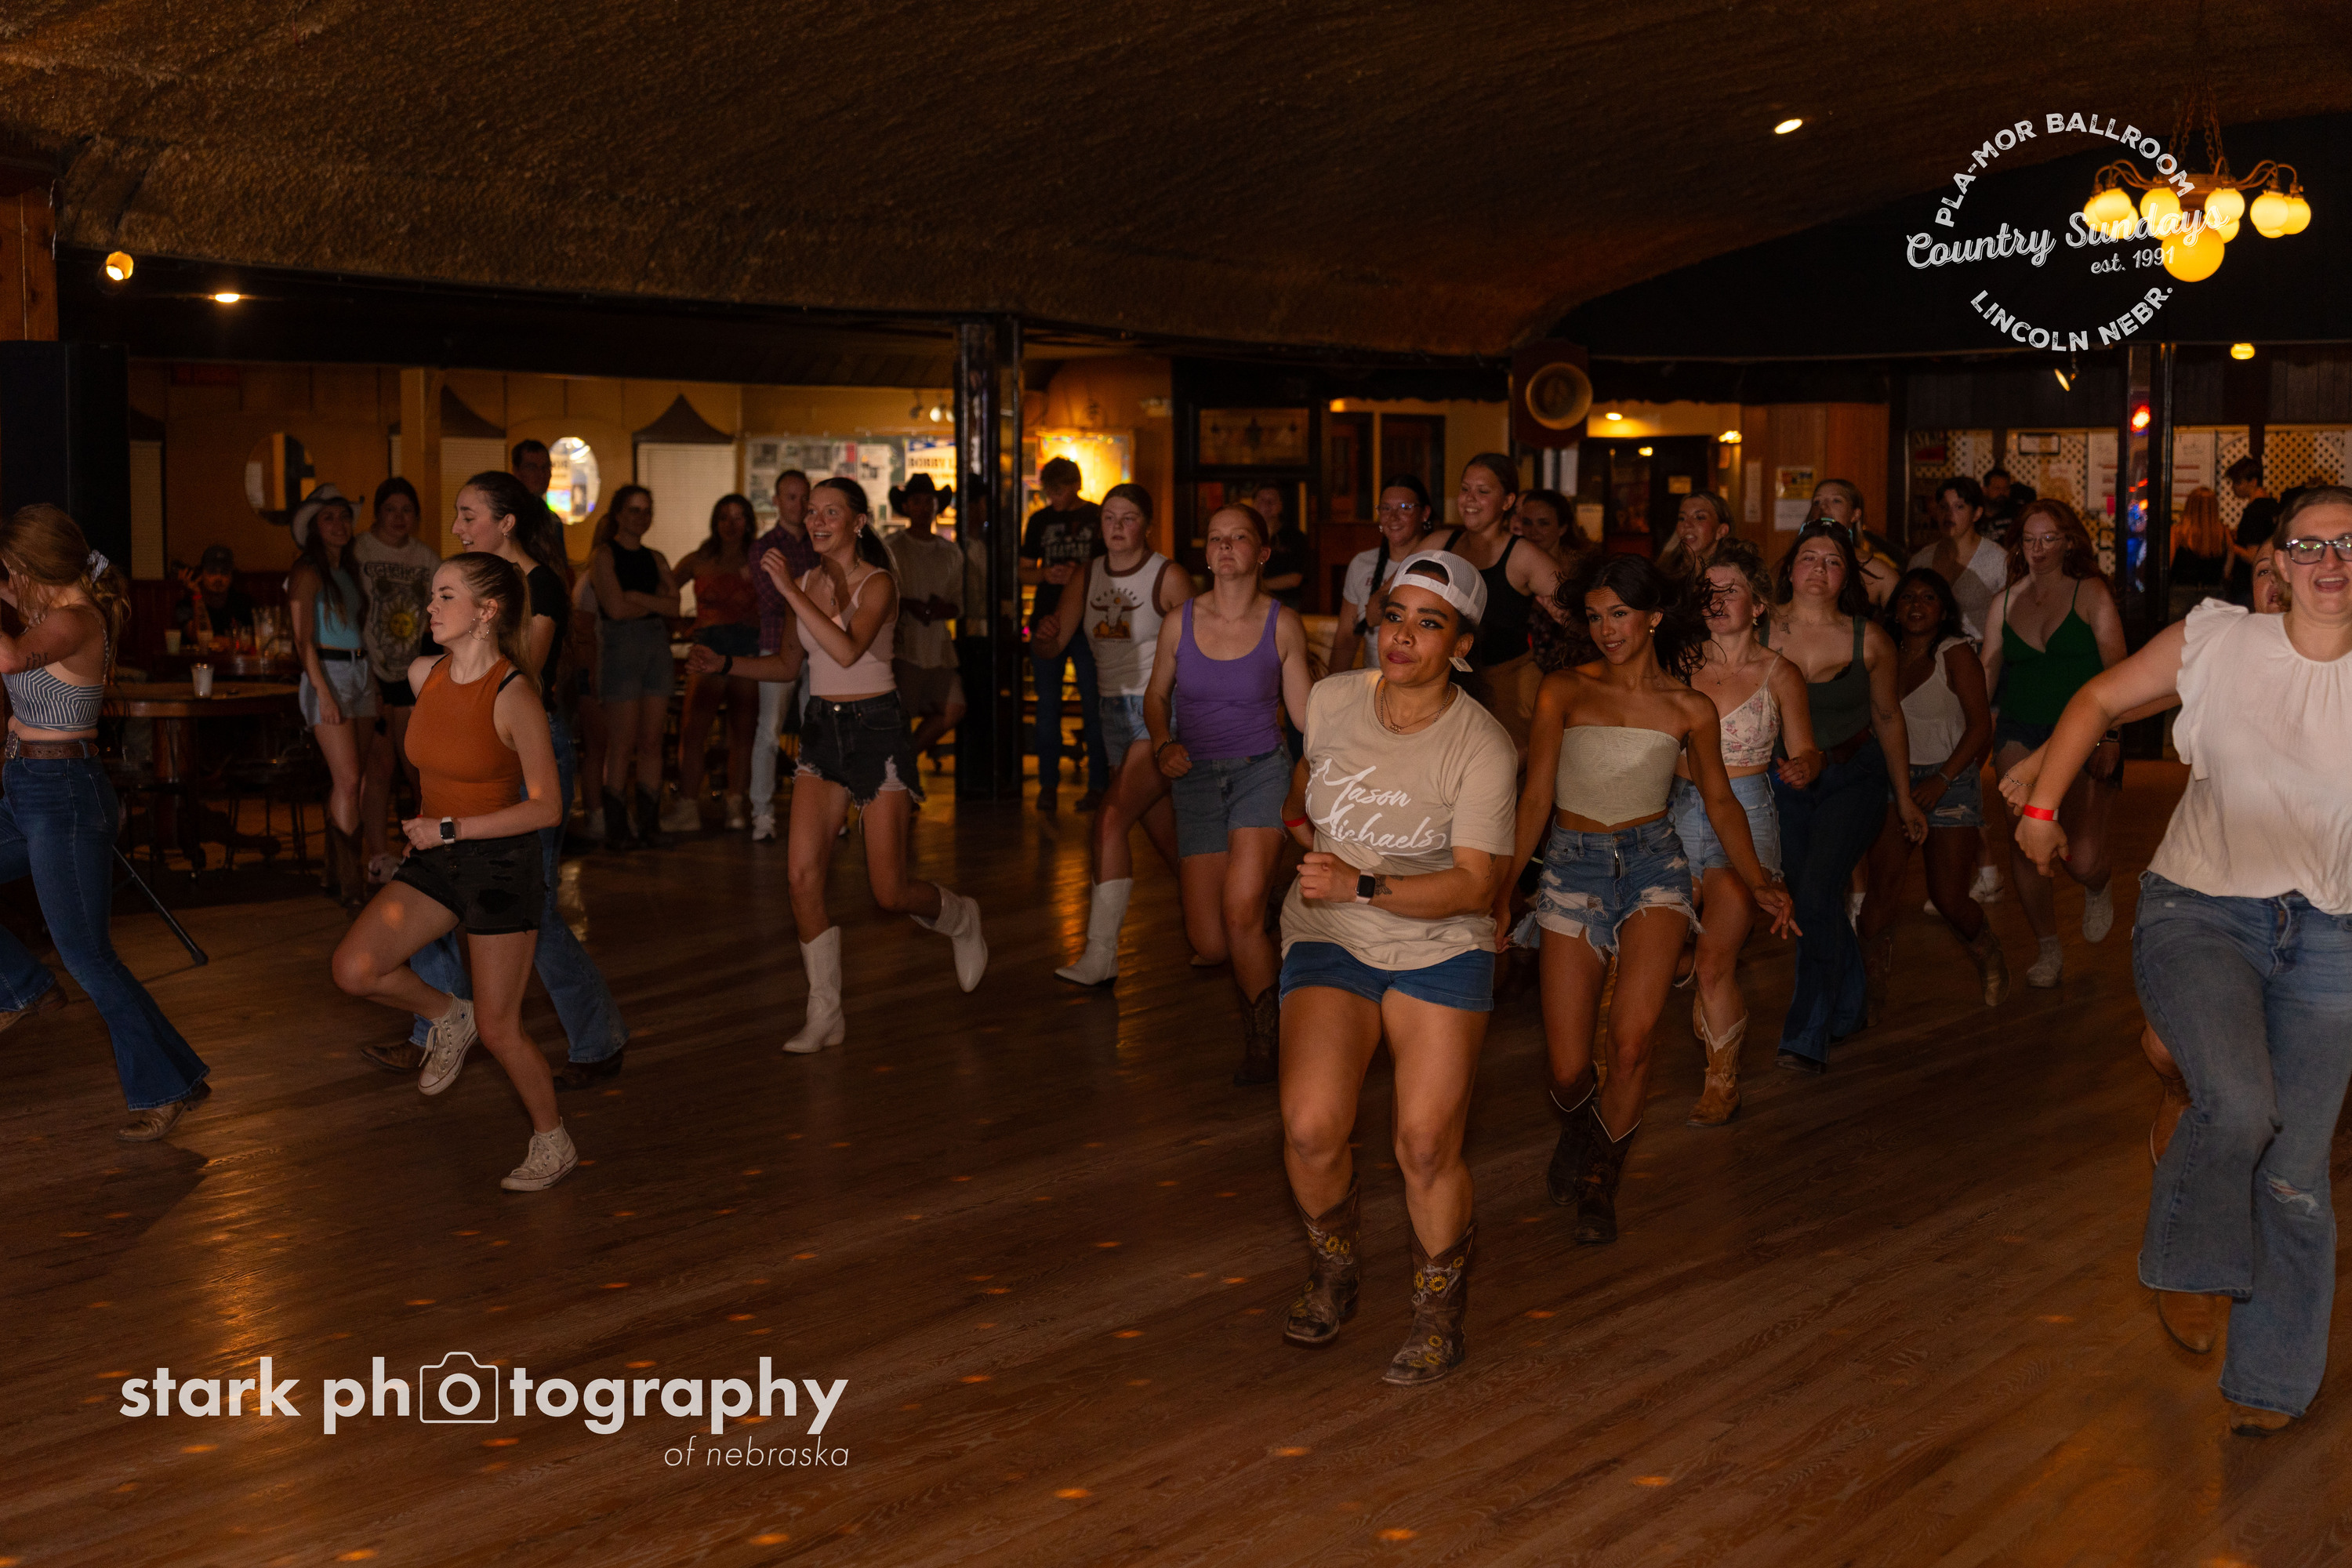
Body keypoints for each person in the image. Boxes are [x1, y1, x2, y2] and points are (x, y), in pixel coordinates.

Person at [2013, 486, 2352, 1437]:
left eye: (2351, 545)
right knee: (2240, 1101)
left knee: (2296, 1175)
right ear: (2277, 561)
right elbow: (2098, 698)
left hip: (2333, 932)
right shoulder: (2219, 640)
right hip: (2203, 910)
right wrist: (2040, 806)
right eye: (2312, 546)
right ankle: (2195, 1258)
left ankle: (2269, 1383)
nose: (2332, 562)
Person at [1272, 550, 1515, 1385]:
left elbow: (1477, 884)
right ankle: (1334, 1266)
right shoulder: (1333, 699)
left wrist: (1364, 882)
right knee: (1311, 1127)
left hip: (1441, 942)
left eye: (1428, 622)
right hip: (1331, 932)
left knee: (1424, 1142)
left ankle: (1437, 1312)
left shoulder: (1483, 746)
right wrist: (1312, 850)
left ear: (1463, 645)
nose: (1403, 635)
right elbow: (1304, 791)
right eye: (1393, 616)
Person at [1504, 553, 1795, 1243]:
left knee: (1631, 1045)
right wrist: (1500, 892)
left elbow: (1720, 802)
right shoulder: (1564, 690)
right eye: (1595, 616)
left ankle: (1601, 1181)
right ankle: (1579, 1127)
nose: (1607, 629)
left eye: (1621, 614)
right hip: (1571, 868)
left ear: (1655, 618)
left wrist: (1760, 880)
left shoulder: (1689, 707)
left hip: (1653, 867)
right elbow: (1536, 798)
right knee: (1567, 1067)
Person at [691, 477, 988, 1051]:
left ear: (859, 522)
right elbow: (786, 666)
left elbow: (849, 650)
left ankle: (960, 917)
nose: (817, 521)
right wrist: (724, 663)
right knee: (801, 877)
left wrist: (788, 589)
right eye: (812, 512)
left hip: (877, 732)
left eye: (831, 512)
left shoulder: (879, 584)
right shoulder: (804, 583)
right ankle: (825, 1011)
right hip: (823, 731)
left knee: (889, 892)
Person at [372, 472, 629, 1090]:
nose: (457, 527)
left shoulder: (537, 586)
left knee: (530, 907)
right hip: (474, 751)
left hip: (520, 749)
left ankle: (597, 1036)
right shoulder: (470, 588)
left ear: (506, 522)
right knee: (435, 881)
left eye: (469, 515)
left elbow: (515, 677)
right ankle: (436, 1024)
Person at [329, 552, 575, 1191]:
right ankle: (446, 1014)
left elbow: (547, 807)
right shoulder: (423, 675)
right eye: (432, 595)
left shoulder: (514, 693)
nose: (430, 607)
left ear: (487, 611)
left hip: (500, 866)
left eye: (445, 596)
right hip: (437, 859)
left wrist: (452, 829)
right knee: (355, 968)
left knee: (501, 1028)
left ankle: (552, 1140)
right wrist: (436, 832)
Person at [0, 505, 210, 1142]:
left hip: (64, 797)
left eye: (11, 572)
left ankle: (167, 1085)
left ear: (36, 567)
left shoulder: (75, 619)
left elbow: (9, 660)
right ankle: (23, 987)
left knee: (89, 958)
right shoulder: (50, 611)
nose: (8, 585)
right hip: (25, 788)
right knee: (84, 957)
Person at [1145, 503, 1314, 1083]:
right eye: (1216, 537)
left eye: (1239, 537)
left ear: (1261, 554)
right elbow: (1156, 696)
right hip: (1194, 777)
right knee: (1212, 941)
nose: (1224, 546)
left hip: (1260, 772)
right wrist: (1163, 743)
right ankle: (1267, 902)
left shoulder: (1282, 623)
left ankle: (1267, 1041)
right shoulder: (1180, 621)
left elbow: (1304, 718)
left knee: (1239, 915)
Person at [1765, 521, 1926, 1070]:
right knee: (1812, 896)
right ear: (1790, 568)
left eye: (1833, 561)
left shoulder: (1870, 640)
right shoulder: (1759, 629)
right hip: (1782, 781)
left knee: (1814, 894)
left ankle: (1806, 1033)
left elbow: (1888, 718)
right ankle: (1852, 1001)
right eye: (1809, 557)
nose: (1819, 569)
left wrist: (1904, 798)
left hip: (1853, 776)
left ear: (1847, 578)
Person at [1670, 540, 1820, 1125]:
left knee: (1715, 961)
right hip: (1678, 810)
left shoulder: (1780, 674)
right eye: (1708, 592)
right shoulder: (1679, 664)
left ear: (1758, 605)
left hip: (1748, 811)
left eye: (1729, 591)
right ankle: (1709, 1012)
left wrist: (1805, 766)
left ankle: (1721, 1082)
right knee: (1663, 951)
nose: (1716, 601)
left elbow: (1806, 749)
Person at [1040, 482, 1190, 985]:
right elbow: (1053, 643)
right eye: (1109, 518)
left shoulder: (1167, 576)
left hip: (1158, 712)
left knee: (1109, 819)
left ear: (1146, 526)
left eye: (1128, 518)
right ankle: (1235, 915)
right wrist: (1040, 637)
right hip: (1111, 713)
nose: (1118, 527)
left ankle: (1101, 955)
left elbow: (1201, 650)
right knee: (1167, 838)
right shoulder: (1087, 575)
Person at [1980, 499, 2125, 988]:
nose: (2038, 549)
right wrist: (1968, 734)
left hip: (2084, 732)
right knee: (2023, 839)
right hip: (2020, 730)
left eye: (2049, 539)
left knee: (2081, 859)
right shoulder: (2004, 602)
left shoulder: (2091, 593)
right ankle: (2048, 947)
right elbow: (1986, 674)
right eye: (2029, 540)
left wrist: (2110, 736)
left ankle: (2098, 883)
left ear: (2069, 542)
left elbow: (2120, 673)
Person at [1856, 568, 2005, 1017]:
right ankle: (1869, 991)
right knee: (1881, 891)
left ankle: (1987, 951)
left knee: (1948, 898)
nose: (1916, 605)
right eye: (1907, 598)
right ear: (1894, 609)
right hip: (1894, 779)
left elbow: (1980, 728)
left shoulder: (1955, 653)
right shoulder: (1882, 651)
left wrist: (1941, 780)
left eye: (1928, 597)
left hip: (1950, 780)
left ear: (1944, 611)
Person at [289, 484, 377, 903]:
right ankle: (352, 884)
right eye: (329, 518)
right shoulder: (307, 572)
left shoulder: (349, 569)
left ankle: (333, 873)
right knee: (348, 779)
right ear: (314, 528)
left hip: (360, 671)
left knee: (355, 781)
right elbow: (301, 639)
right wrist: (322, 692)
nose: (339, 524)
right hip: (328, 673)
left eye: (344, 516)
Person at [352, 476, 441, 886]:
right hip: (369, 667)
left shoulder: (427, 558)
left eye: (407, 510)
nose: (399, 517)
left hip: (413, 670)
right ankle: (378, 857)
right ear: (378, 513)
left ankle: (426, 850)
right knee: (378, 767)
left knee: (417, 765)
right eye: (391, 509)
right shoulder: (360, 551)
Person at [1445, 454, 1563, 752]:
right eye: (1465, 489)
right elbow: (1381, 604)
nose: (1470, 499)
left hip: (1509, 687)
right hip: (1450, 682)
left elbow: (1586, 615)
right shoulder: (1441, 545)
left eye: (1483, 491)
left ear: (1508, 501)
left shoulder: (1523, 556)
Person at [586, 485, 681, 851]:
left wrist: (638, 598)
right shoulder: (603, 555)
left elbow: (675, 606)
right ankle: (617, 828)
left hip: (656, 646)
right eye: (633, 510)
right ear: (618, 514)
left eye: (646, 510)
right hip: (621, 647)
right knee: (621, 743)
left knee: (652, 740)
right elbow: (615, 608)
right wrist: (655, 602)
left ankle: (649, 823)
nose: (641, 517)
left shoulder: (655, 557)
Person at [667, 493, 762, 832]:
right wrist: (680, 624)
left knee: (743, 733)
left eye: (738, 517)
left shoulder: (759, 558)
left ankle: (736, 804)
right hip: (707, 648)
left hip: (746, 650)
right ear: (715, 522)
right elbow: (665, 589)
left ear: (748, 522)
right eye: (724, 517)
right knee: (693, 731)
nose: (731, 525)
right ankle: (688, 806)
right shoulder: (701, 558)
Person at [1022, 456, 1109, 813]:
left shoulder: (1097, 516)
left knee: (1093, 704)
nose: (1052, 498)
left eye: (1058, 490)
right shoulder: (1039, 520)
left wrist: (1081, 574)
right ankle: (1048, 785)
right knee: (1048, 706)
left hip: (1089, 621)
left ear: (1075, 485)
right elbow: (1023, 571)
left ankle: (1098, 785)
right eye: (1049, 491)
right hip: (1049, 618)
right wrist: (1046, 575)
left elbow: (1112, 569)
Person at [747, 469, 818, 842]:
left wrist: (796, 594)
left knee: (816, 731)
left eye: (805, 497)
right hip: (778, 644)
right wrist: (807, 599)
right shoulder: (765, 547)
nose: (799, 504)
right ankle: (762, 813)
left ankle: (820, 812)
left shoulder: (817, 543)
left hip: (817, 649)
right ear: (776, 501)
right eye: (791, 497)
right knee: (769, 731)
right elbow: (773, 600)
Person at [1328, 476, 1453, 677]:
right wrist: (1332, 684)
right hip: (1373, 680)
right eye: (1386, 508)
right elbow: (1346, 637)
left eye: (1405, 508)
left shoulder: (1441, 565)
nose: (1393, 517)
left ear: (1425, 514)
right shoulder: (1362, 563)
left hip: (1422, 680)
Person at [885, 474, 967, 765]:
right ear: (906, 506)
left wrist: (940, 609)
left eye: (928, 501)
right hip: (903, 645)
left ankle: (902, 765)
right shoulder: (892, 547)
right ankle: (898, 773)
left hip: (939, 647)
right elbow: (881, 597)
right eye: (917, 501)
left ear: (936, 506)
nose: (923, 508)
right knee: (899, 716)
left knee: (953, 708)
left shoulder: (951, 552)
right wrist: (910, 605)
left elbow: (959, 602)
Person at [1911, 477, 2009, 637]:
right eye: (1943, 507)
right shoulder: (1921, 560)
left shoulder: (1998, 559)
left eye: (1959, 507)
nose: (1949, 514)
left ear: (1976, 513)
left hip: (1979, 647)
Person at [1808, 480, 1900, 607]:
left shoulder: (1882, 573)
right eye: (1817, 502)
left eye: (1836, 500)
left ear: (1855, 514)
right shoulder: (1791, 565)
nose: (1823, 507)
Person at [172, 543, 258, 643]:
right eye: (212, 571)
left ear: (231, 575)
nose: (218, 578)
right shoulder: (185, 605)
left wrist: (225, 643)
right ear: (202, 574)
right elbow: (201, 638)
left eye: (224, 572)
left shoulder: (244, 603)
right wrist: (197, 594)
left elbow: (254, 639)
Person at [2225, 456, 2281, 605]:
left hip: (2248, 584)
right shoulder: (2273, 506)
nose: (2234, 487)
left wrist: (2230, 544)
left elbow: (2252, 556)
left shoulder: (2254, 512)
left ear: (2253, 482)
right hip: (2270, 578)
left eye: (2238, 482)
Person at [2169, 488, 2231, 622]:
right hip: (2213, 593)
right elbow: (2227, 570)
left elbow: (2168, 565)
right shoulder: (2223, 533)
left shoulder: (2177, 533)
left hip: (2182, 592)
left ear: (2190, 505)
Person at [1655, 490, 1733, 586]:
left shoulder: (1733, 578)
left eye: (1699, 517)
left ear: (1721, 531)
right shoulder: (1660, 575)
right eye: (1682, 518)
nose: (1687, 524)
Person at [1255, 483, 1312, 609]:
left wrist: (1259, 585)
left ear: (1280, 505)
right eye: (1262, 500)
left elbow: (1295, 578)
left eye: (1271, 501)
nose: (1266, 505)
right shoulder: (1247, 536)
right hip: (1254, 601)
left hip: (1286, 602)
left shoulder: (1295, 537)